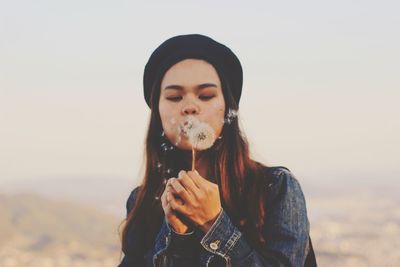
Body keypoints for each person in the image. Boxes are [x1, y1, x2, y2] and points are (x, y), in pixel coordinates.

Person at [118, 34, 317, 267]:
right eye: (174, 97)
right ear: (157, 112)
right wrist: (177, 238)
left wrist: (214, 223)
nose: (190, 107)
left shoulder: (275, 189)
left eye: (206, 96)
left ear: (227, 108)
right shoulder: (144, 200)